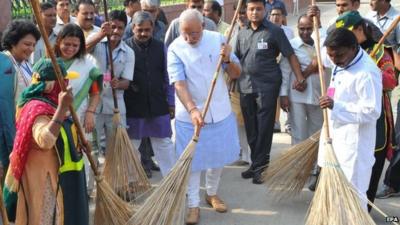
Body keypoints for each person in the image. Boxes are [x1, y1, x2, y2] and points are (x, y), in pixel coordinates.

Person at [168, 9, 241, 225]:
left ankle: (212, 193)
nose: (190, 38)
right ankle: (193, 205)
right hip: (188, 114)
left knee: (216, 158)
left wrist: (228, 59)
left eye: (194, 33)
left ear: (203, 26)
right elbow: (179, 83)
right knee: (193, 162)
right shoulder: (175, 48)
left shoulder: (219, 39)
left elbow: (237, 73)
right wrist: (192, 109)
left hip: (219, 110)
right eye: (185, 33)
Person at [3, 58, 89, 225]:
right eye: (64, 81)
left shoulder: (51, 104)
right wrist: (62, 108)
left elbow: (63, 133)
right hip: (42, 177)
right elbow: (45, 140)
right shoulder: (37, 108)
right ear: (55, 85)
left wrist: (78, 143)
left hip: (59, 174)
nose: (67, 84)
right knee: (45, 217)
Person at [235, 0, 306, 184]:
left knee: (264, 127)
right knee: (251, 127)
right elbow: (236, 60)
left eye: (258, 9)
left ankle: (261, 167)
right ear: (247, 11)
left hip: (267, 87)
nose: (255, 12)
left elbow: (290, 54)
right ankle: (255, 163)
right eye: (251, 9)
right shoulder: (241, 33)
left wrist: (300, 77)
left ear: (264, 10)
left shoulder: (275, 31)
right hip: (245, 86)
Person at [335, 10, 398, 208]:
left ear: (360, 30)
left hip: (374, 119)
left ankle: (364, 211)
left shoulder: (379, 51)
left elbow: (391, 81)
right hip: (346, 120)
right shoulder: (341, 51)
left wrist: (369, 70)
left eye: (347, 32)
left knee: (368, 169)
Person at [319, 28, 382, 209]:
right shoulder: (341, 60)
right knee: (334, 194)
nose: (334, 60)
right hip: (335, 139)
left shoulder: (367, 73)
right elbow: (322, 54)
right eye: (331, 56)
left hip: (354, 147)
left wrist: (336, 106)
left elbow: (372, 111)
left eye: (338, 55)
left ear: (354, 48)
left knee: (352, 196)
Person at [124, 11, 175, 177]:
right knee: (132, 146)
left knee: (164, 144)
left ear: (153, 28)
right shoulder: (125, 47)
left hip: (158, 103)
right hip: (133, 105)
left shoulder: (161, 47)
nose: (144, 33)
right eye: (140, 30)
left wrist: (171, 101)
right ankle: (132, 182)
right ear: (133, 28)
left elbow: (168, 77)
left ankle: (171, 182)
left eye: (147, 30)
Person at [54, 23, 103, 198]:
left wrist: (90, 112)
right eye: (67, 44)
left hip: (79, 118)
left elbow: (95, 93)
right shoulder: (49, 62)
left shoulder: (88, 65)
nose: (70, 49)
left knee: (82, 153)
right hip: (52, 119)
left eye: (75, 46)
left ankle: (83, 192)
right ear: (59, 41)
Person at [86, 10, 135, 155]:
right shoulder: (96, 41)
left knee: (116, 149)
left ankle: (113, 177)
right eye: (113, 26)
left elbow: (127, 82)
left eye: (120, 28)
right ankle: (94, 177)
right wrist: (101, 34)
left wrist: (118, 84)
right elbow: (82, 49)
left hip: (115, 105)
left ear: (125, 29)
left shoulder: (128, 52)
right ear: (106, 26)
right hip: (92, 105)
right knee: (91, 148)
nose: (116, 31)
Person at [280, 14, 324, 145]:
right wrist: (283, 95)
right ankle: (299, 164)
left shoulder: (321, 44)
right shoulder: (291, 45)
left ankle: (315, 164)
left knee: (317, 132)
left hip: (318, 94)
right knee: (298, 132)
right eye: (302, 29)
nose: (305, 32)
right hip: (297, 95)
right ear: (297, 28)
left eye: (309, 28)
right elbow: (285, 71)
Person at [228, 2, 251, 165]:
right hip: (235, 84)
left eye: (244, 12)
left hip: (252, 83)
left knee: (251, 121)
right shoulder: (229, 33)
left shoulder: (256, 31)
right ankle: (243, 153)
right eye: (239, 12)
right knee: (238, 121)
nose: (241, 15)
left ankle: (253, 156)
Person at [1, 20, 41, 105]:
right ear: (12, 42)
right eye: (27, 44)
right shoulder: (3, 63)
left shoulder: (25, 64)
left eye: (34, 45)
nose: (32, 49)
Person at [269, 6, 294, 133]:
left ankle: (289, 123)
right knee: (274, 95)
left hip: (286, 67)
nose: (275, 17)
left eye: (278, 14)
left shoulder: (289, 32)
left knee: (286, 93)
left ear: (283, 17)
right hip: (271, 67)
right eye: (273, 14)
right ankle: (275, 121)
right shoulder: (266, 31)